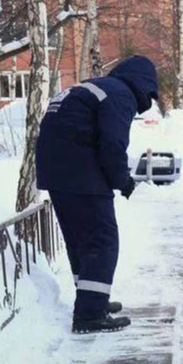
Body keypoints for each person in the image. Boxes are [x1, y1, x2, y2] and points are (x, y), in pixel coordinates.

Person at [35, 55, 159, 333]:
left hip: (56, 172)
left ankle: (92, 300)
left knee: (80, 241)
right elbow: (112, 143)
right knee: (102, 242)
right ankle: (90, 315)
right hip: (81, 173)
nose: (149, 100)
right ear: (143, 83)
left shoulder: (94, 86)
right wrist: (123, 181)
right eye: (150, 93)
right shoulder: (121, 94)